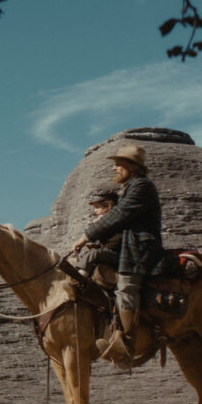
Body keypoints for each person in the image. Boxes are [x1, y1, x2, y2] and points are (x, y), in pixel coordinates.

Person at [71, 145, 165, 364]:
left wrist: (86, 236)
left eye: (119, 164)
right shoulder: (130, 188)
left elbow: (120, 216)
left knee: (126, 287)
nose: (114, 168)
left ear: (133, 167)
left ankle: (128, 345)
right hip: (129, 247)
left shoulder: (142, 186)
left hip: (140, 249)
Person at [76, 189, 121, 281]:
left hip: (120, 255)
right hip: (111, 252)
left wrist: (96, 224)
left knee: (93, 254)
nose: (95, 211)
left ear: (108, 206)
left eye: (97, 207)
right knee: (88, 254)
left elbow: (115, 243)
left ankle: (79, 280)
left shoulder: (113, 221)